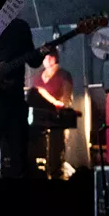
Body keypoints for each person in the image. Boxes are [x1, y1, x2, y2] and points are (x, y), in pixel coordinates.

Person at [0, 18, 44, 178]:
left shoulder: (20, 26)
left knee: (19, 156)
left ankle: (17, 198)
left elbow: (33, 60)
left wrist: (41, 54)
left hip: (14, 100)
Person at [31, 51, 73, 179]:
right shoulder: (39, 76)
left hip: (57, 118)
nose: (46, 60)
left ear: (56, 58)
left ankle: (56, 173)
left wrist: (53, 101)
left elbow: (66, 100)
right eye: (45, 57)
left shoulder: (64, 75)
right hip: (39, 118)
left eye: (50, 57)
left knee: (56, 147)